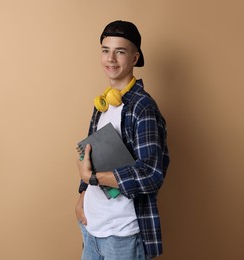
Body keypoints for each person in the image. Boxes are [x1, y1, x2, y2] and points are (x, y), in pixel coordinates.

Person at [76, 20, 170, 260]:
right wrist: (83, 195)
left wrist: (93, 178)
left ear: (135, 57)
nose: (111, 59)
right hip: (91, 227)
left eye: (120, 52)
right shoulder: (103, 104)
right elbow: (94, 156)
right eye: (105, 50)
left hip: (122, 234)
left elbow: (152, 173)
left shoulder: (143, 107)